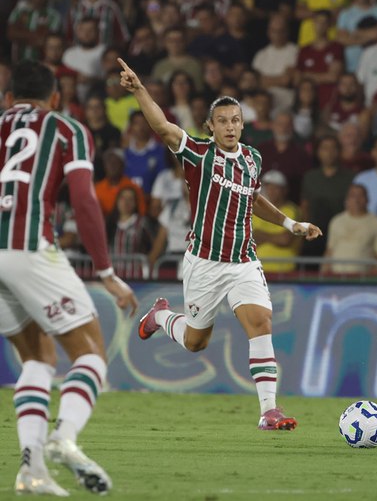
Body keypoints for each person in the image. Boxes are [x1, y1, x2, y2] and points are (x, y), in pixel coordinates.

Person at [118, 58, 323, 431]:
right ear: (210, 126)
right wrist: (139, 90)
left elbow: (254, 198)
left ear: (243, 125)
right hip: (205, 262)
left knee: (260, 322)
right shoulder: (199, 154)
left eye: (236, 120)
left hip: (243, 261)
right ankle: (160, 316)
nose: (230, 126)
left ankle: (269, 411)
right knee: (196, 342)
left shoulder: (252, 158)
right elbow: (163, 128)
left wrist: (291, 224)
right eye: (223, 121)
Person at [0, 60, 137, 495]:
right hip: (30, 250)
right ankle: (64, 437)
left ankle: (32, 469)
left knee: (38, 359)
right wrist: (107, 273)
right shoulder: (67, 129)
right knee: (91, 353)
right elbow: (83, 199)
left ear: (7, 98)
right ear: (55, 98)